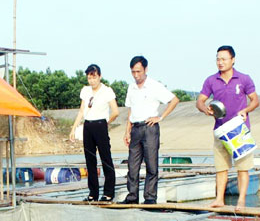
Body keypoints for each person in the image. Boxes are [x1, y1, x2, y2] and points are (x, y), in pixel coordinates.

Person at [195, 45, 260, 210]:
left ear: (233, 60)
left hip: (239, 129)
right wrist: (206, 109)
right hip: (220, 130)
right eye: (218, 59)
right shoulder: (211, 80)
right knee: (221, 167)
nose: (220, 62)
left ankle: (241, 201)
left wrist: (246, 110)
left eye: (224, 59)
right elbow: (200, 101)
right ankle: (219, 200)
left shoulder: (244, 79)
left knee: (243, 168)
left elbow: (255, 100)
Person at [123, 55, 180, 204]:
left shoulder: (155, 85)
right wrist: (127, 130)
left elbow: (174, 100)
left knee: (151, 164)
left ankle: (149, 197)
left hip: (150, 128)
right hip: (135, 128)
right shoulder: (131, 87)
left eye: (139, 71)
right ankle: (132, 196)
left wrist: (160, 117)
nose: (136, 75)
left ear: (145, 69)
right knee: (132, 165)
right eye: (133, 72)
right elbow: (130, 110)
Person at [70, 64, 119, 202]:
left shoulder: (107, 91)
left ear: (100, 76)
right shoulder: (85, 91)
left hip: (100, 124)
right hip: (88, 125)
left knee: (105, 158)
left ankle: (108, 192)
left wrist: (105, 123)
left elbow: (115, 111)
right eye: (89, 78)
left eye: (94, 77)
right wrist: (74, 128)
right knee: (90, 160)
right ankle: (93, 193)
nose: (92, 81)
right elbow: (81, 111)